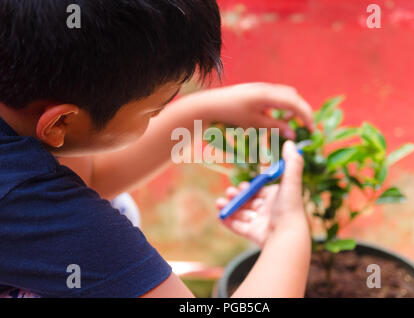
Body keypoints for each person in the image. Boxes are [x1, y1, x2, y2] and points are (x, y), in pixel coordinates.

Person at [0, 0, 312, 297]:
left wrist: (204, 111)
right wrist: (288, 233)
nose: (161, 112)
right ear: (60, 123)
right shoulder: (49, 215)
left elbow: (87, 174)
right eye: (155, 110)